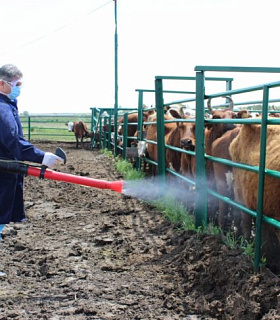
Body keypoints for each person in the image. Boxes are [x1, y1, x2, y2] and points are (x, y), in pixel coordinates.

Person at [0, 64, 64, 275]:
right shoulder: (2, 108)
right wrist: (41, 156)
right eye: (17, 84)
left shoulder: (8, 105)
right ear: (2, 83)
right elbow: (13, 142)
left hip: (8, 170)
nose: (20, 88)